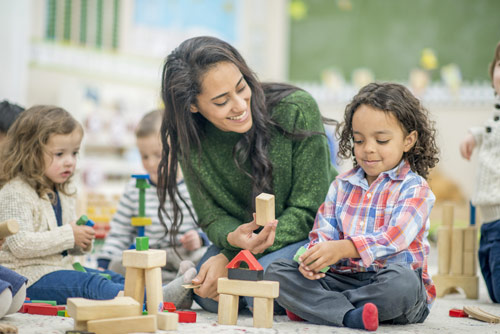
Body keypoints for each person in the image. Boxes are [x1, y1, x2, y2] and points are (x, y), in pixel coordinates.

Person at [157, 36, 337, 313]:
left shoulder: (297, 110)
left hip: (306, 235)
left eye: (241, 87)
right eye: (221, 102)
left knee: (255, 288)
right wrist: (232, 241)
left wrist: (232, 256)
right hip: (247, 242)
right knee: (207, 292)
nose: (240, 105)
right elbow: (212, 216)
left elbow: (310, 210)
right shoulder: (189, 140)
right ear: (193, 106)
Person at [266, 82, 440, 331]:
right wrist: (314, 260)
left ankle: (321, 308)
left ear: (408, 140)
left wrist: (344, 248)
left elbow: (394, 239)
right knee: (277, 271)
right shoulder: (341, 184)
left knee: (403, 284)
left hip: (389, 284)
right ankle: (349, 314)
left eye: (381, 140)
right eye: (359, 140)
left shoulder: (415, 189)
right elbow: (322, 233)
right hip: (342, 279)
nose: (368, 149)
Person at [0, 105, 125, 305]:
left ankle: (160, 294)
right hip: (26, 276)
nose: (70, 162)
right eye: (60, 154)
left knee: (111, 277)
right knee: (91, 285)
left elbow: (60, 247)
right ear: (31, 153)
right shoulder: (15, 192)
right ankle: (147, 300)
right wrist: (69, 234)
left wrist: (79, 242)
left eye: (74, 153)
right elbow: (20, 244)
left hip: (56, 268)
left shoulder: (63, 190)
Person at [96, 109, 208, 284]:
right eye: (144, 156)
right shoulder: (134, 189)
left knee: (205, 258)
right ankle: (176, 284)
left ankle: (174, 282)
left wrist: (200, 238)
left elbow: (208, 223)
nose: (151, 163)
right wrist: (104, 263)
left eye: (158, 155)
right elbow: (120, 232)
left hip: (184, 254)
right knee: (118, 265)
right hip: (148, 256)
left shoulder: (194, 185)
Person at [459, 41, 500, 303]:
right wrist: (474, 135)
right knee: (492, 287)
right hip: (488, 218)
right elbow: (490, 129)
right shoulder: (496, 110)